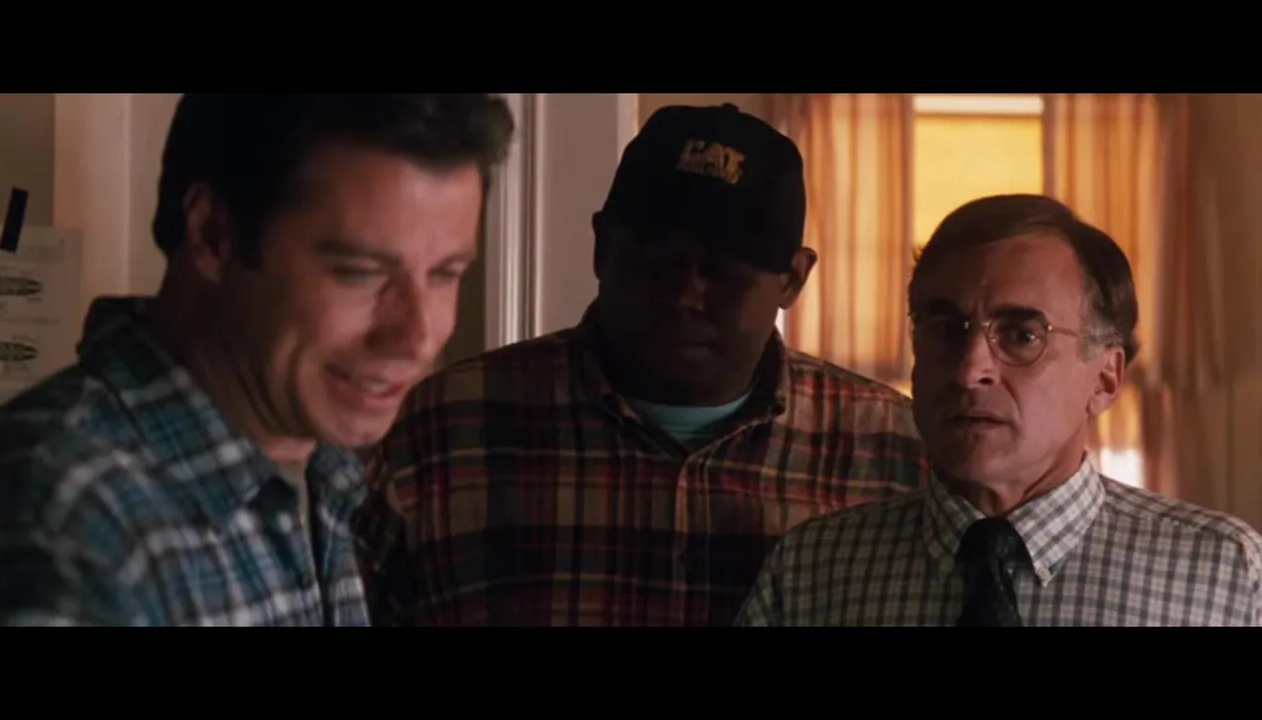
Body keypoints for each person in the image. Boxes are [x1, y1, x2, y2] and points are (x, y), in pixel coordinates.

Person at [355, 102, 930, 627]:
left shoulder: (893, 453)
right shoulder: (439, 434)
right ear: (602, 248)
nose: (684, 295)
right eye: (654, 261)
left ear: (793, 279)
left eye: (724, 273)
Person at [0, 94, 514, 626]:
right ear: (215, 236)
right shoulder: (65, 511)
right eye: (359, 272)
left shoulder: (323, 472)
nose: (417, 337)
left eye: (445, 274)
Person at [736, 193, 1262, 627]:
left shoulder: (1224, 575)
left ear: (1105, 378)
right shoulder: (811, 570)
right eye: (946, 329)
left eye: (1022, 336)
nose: (970, 370)